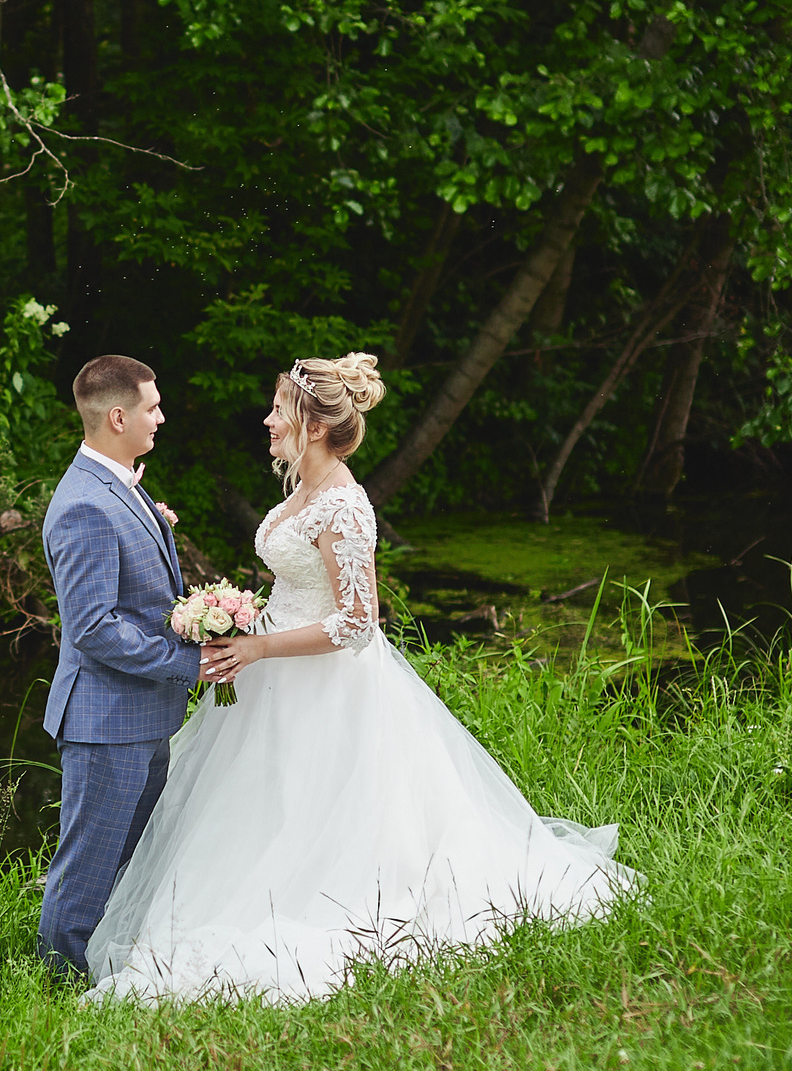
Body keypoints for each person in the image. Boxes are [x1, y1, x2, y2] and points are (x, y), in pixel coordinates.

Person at [85, 352, 637, 1004]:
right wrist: (236, 619)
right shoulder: (302, 492)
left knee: (321, 807)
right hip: (272, 678)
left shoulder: (344, 506)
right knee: (262, 804)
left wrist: (261, 646)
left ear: (315, 426)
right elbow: (298, 586)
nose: (267, 421)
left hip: (327, 687)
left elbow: (356, 622)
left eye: (279, 410)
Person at [36, 353, 201, 979]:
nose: (161, 417)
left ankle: (111, 969)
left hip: (141, 714)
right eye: (152, 407)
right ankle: (60, 980)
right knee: (88, 864)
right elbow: (94, 627)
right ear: (117, 417)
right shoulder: (85, 504)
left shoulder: (118, 484)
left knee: (130, 859)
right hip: (105, 720)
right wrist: (188, 662)